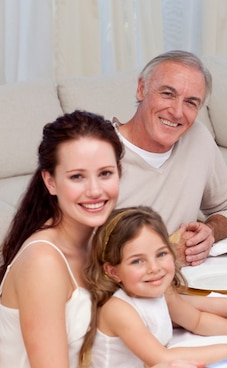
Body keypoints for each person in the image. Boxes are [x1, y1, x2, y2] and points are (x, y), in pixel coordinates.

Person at [80, 206, 227, 367]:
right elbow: (163, 358)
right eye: (137, 261)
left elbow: (197, 321)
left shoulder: (159, 291)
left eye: (161, 254)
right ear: (113, 271)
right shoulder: (117, 308)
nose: (154, 268)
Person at [0, 111, 123, 367]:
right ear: (50, 182)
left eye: (105, 173)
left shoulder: (96, 239)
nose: (95, 191)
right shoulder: (43, 262)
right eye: (77, 176)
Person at [114, 50, 227, 266]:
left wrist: (210, 232)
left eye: (191, 102)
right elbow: (75, 253)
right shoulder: (99, 153)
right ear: (141, 89)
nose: (176, 112)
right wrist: (165, 254)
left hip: (187, 284)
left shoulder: (198, 139)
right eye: (167, 94)